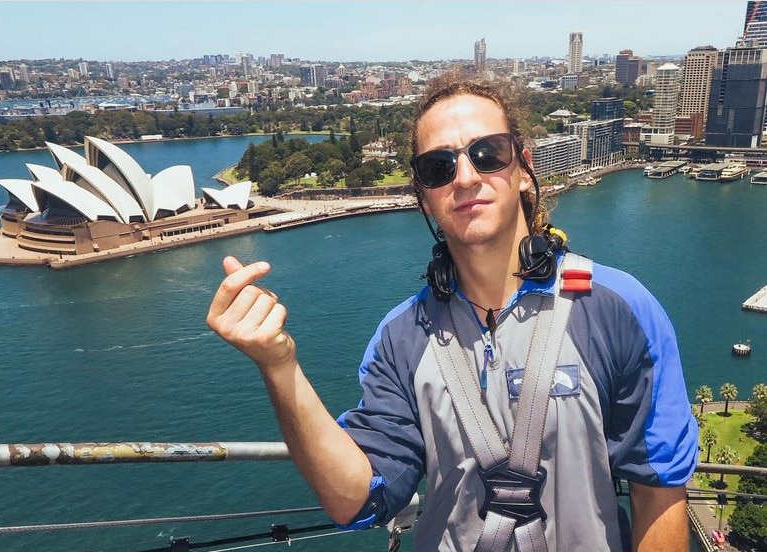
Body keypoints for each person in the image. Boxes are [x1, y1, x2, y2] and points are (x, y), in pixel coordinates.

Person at [207, 69, 698, 551]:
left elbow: (658, 491)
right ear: (423, 195)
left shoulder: (618, 308)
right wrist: (279, 366)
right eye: (438, 167)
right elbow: (355, 500)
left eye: (488, 153)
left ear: (524, 170)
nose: (465, 177)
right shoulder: (401, 338)